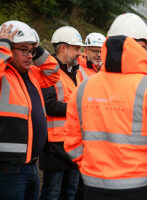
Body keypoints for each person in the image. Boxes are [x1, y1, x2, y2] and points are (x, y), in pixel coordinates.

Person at [63, 13, 147, 200]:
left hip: (93, 188)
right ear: (141, 47)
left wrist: (92, 172)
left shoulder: (83, 89)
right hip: (143, 188)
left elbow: (72, 143)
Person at [0, 20, 59, 200]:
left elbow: (54, 72)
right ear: (9, 49)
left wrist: (37, 47)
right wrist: (3, 45)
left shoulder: (32, 74)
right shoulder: (4, 76)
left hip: (31, 167)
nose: (29, 56)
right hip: (8, 171)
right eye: (23, 50)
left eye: (31, 51)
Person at [39, 26, 83, 200]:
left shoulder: (75, 72)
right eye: (76, 48)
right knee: (52, 194)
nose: (80, 53)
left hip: (73, 143)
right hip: (54, 145)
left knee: (70, 192)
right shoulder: (48, 71)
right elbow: (48, 104)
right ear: (63, 48)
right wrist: (78, 109)